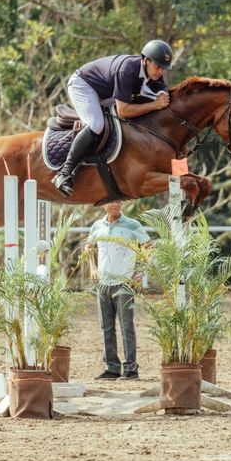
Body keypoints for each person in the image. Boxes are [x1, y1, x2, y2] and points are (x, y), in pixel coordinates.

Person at [52, 40, 175, 196]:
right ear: (145, 60)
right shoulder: (127, 70)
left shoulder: (154, 75)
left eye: (163, 68)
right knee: (97, 124)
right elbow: (123, 111)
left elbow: (163, 98)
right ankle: (64, 173)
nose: (160, 72)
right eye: (158, 67)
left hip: (107, 93)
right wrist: (154, 105)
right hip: (83, 85)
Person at [86, 200, 150, 380]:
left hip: (124, 284)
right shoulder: (97, 226)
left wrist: (141, 271)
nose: (115, 204)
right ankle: (112, 368)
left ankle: (131, 369)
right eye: (111, 201)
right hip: (103, 284)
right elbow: (88, 247)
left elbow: (148, 246)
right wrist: (93, 267)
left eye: (118, 201)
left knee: (126, 327)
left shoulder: (132, 225)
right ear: (103, 205)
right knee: (106, 327)